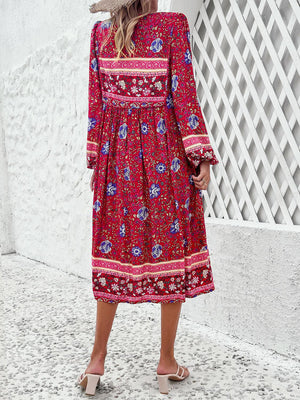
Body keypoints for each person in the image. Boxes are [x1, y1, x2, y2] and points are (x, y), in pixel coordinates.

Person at [77, 0, 220, 395]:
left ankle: (96, 361)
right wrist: (200, 154)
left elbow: (97, 107)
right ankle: (166, 363)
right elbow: (184, 96)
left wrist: (96, 163)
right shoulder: (172, 26)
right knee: (171, 250)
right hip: (164, 158)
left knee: (114, 252)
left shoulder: (100, 36)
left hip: (116, 160)